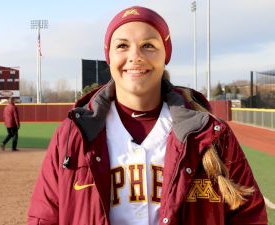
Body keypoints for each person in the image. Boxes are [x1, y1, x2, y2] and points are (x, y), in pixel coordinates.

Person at [28, 5, 268, 225]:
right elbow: (44, 218)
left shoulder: (211, 135)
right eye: (122, 45)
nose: (136, 56)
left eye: (149, 45)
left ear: (166, 55)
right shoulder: (73, 135)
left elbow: (249, 216)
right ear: (108, 57)